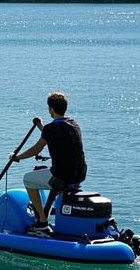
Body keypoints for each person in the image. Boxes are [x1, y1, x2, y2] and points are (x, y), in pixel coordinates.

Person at [10, 91, 87, 234]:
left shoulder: (52, 128)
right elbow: (52, 134)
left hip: (61, 177)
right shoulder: (74, 124)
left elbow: (36, 148)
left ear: (51, 109)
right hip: (79, 176)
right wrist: (40, 126)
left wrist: (17, 157)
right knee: (43, 170)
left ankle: (42, 221)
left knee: (28, 179)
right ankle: (47, 215)